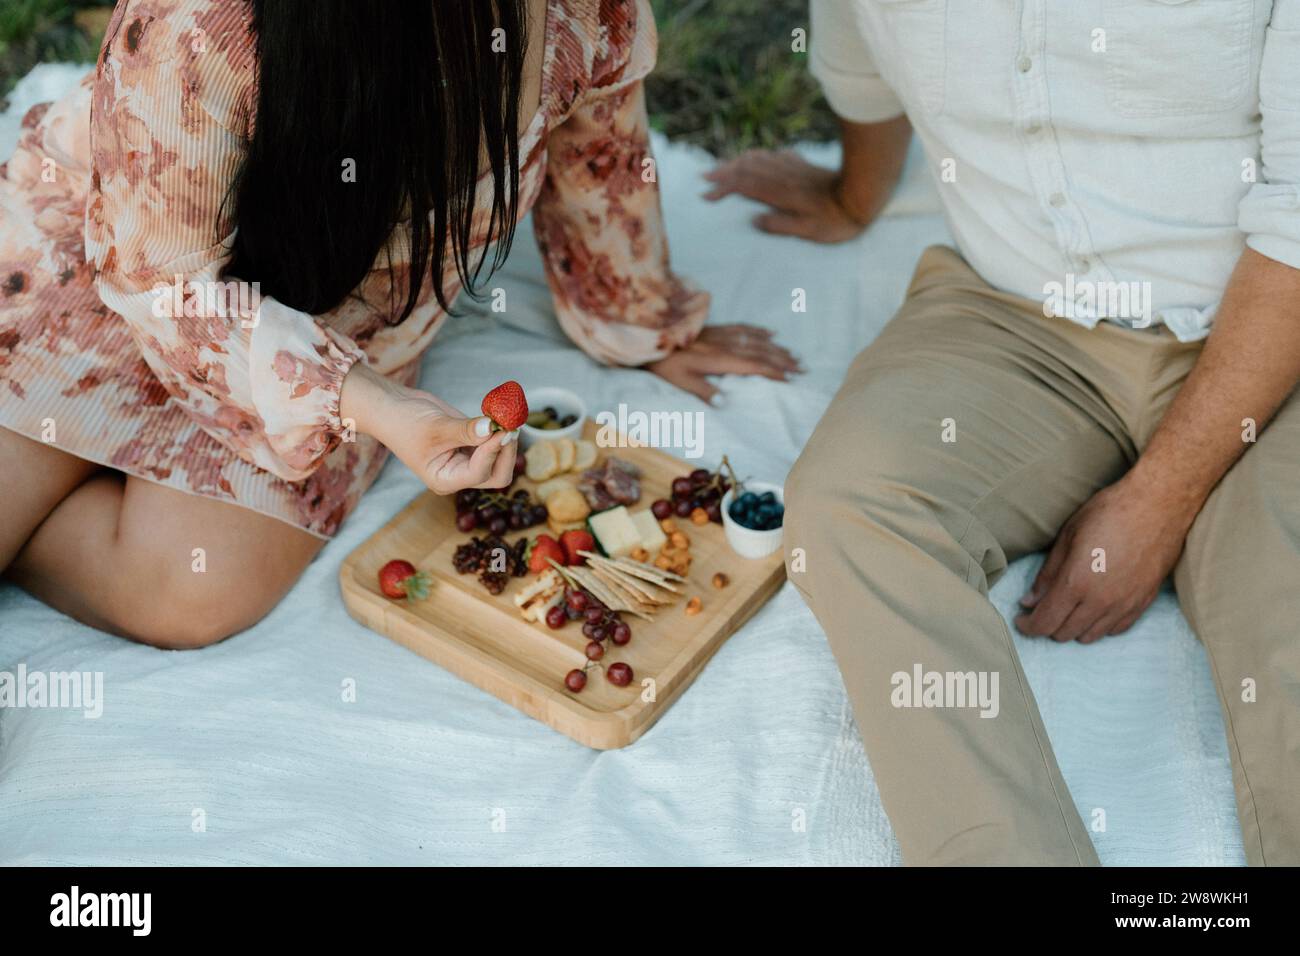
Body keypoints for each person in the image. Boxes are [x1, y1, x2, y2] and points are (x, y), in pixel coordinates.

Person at [0, 0, 796, 649]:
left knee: (192, 594)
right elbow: (157, 275)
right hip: (115, 266)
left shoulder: (573, 12)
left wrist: (637, 318)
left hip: (342, 335)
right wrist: (369, 402)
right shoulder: (199, 22)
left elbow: (601, 154)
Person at [707, 0, 1300, 865]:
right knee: (850, 508)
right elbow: (861, 52)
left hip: (1265, 329)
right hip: (1014, 314)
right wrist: (855, 194)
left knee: (1279, 588)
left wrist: (1156, 504)